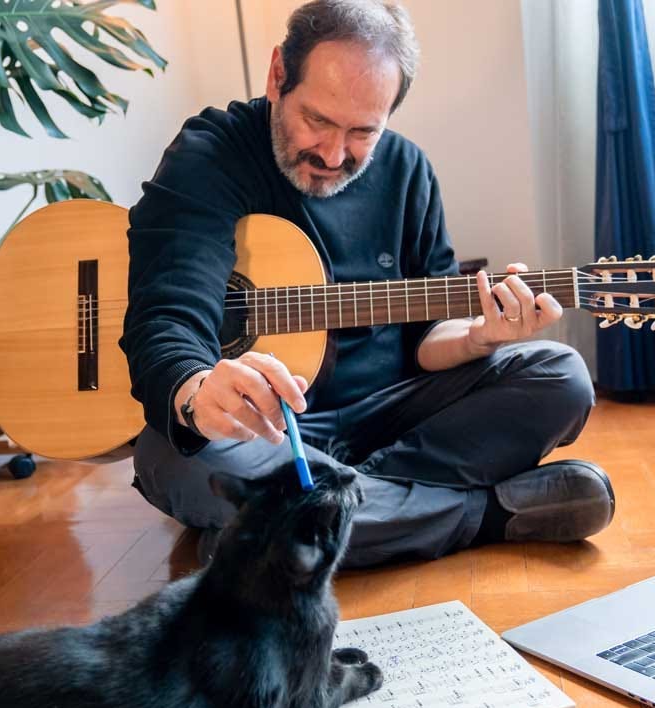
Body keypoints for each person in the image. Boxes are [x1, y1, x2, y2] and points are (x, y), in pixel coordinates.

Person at [121, 0, 614, 569]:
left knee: (562, 377)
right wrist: (195, 392)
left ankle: (292, 524)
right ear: (278, 74)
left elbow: (428, 338)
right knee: (176, 456)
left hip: (391, 416)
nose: (333, 154)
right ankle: (486, 515)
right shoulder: (213, 154)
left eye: (362, 132)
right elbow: (167, 310)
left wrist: (483, 336)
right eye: (318, 121)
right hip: (259, 431)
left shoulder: (407, 171)